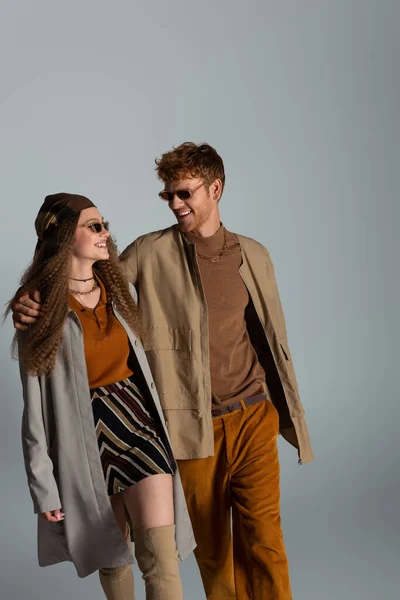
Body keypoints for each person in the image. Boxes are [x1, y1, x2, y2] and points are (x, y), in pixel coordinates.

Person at [13, 144, 314, 600]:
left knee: (265, 541)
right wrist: (28, 300)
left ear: (215, 189)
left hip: (252, 415)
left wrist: (281, 410)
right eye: (168, 195)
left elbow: (272, 340)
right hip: (190, 426)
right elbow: (85, 276)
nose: (175, 204)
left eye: (185, 193)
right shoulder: (149, 253)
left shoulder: (254, 255)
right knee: (211, 549)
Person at [7, 193, 195, 600]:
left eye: (104, 223)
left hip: (137, 421)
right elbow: (35, 408)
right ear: (62, 238)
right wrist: (44, 485)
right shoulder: (40, 309)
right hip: (83, 439)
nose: (105, 232)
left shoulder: (117, 285)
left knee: (161, 557)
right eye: (93, 226)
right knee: (112, 558)